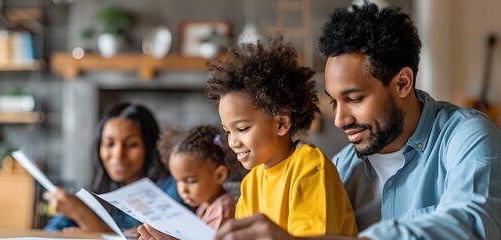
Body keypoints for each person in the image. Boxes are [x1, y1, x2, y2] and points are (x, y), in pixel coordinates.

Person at [215, 2, 501, 240]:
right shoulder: (340, 169)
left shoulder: (468, 136)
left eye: (354, 99)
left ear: (402, 83)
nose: (340, 120)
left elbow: (474, 223)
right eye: (334, 101)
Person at [208, 34, 356, 238]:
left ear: (281, 123)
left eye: (242, 129)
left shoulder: (310, 170)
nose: (232, 142)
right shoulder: (251, 184)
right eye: (227, 131)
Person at [43, 103, 185, 234]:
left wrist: (83, 217)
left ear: (149, 147)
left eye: (131, 145)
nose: (118, 155)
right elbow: (50, 231)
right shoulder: (97, 191)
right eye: (110, 144)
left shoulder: (173, 189)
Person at [160, 125, 237, 229]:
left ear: (219, 175)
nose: (182, 190)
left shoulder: (222, 211)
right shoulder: (206, 204)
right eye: (177, 181)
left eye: (191, 181)